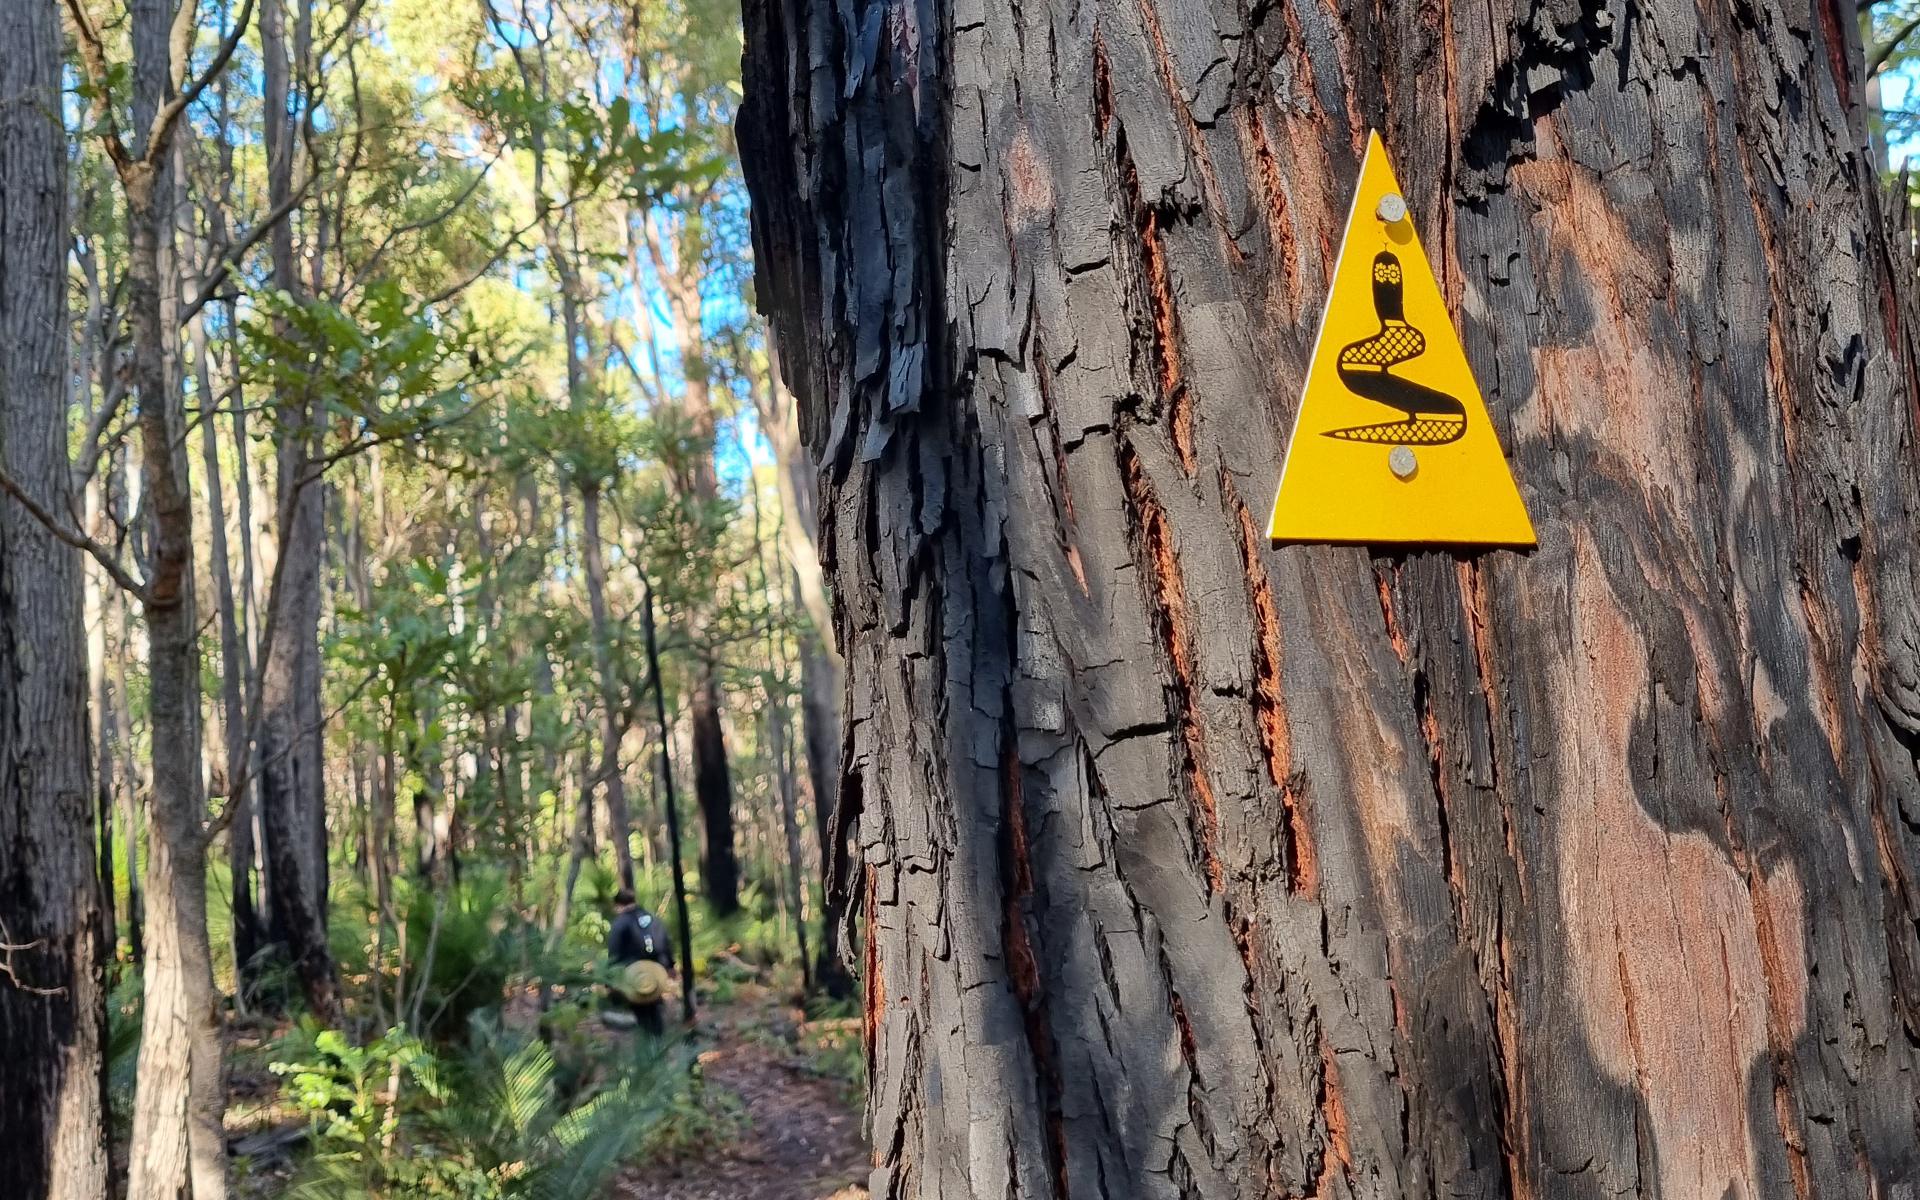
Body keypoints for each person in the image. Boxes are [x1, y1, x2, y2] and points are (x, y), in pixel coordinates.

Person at [606, 888, 675, 1035]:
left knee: (641, 1011)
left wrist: (610, 980)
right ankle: (658, 1040)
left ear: (618, 905)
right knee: (654, 1007)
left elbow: (614, 952)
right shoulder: (653, 919)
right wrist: (670, 966)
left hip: (634, 975)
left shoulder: (620, 924)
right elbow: (665, 943)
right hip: (657, 974)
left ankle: (649, 1046)